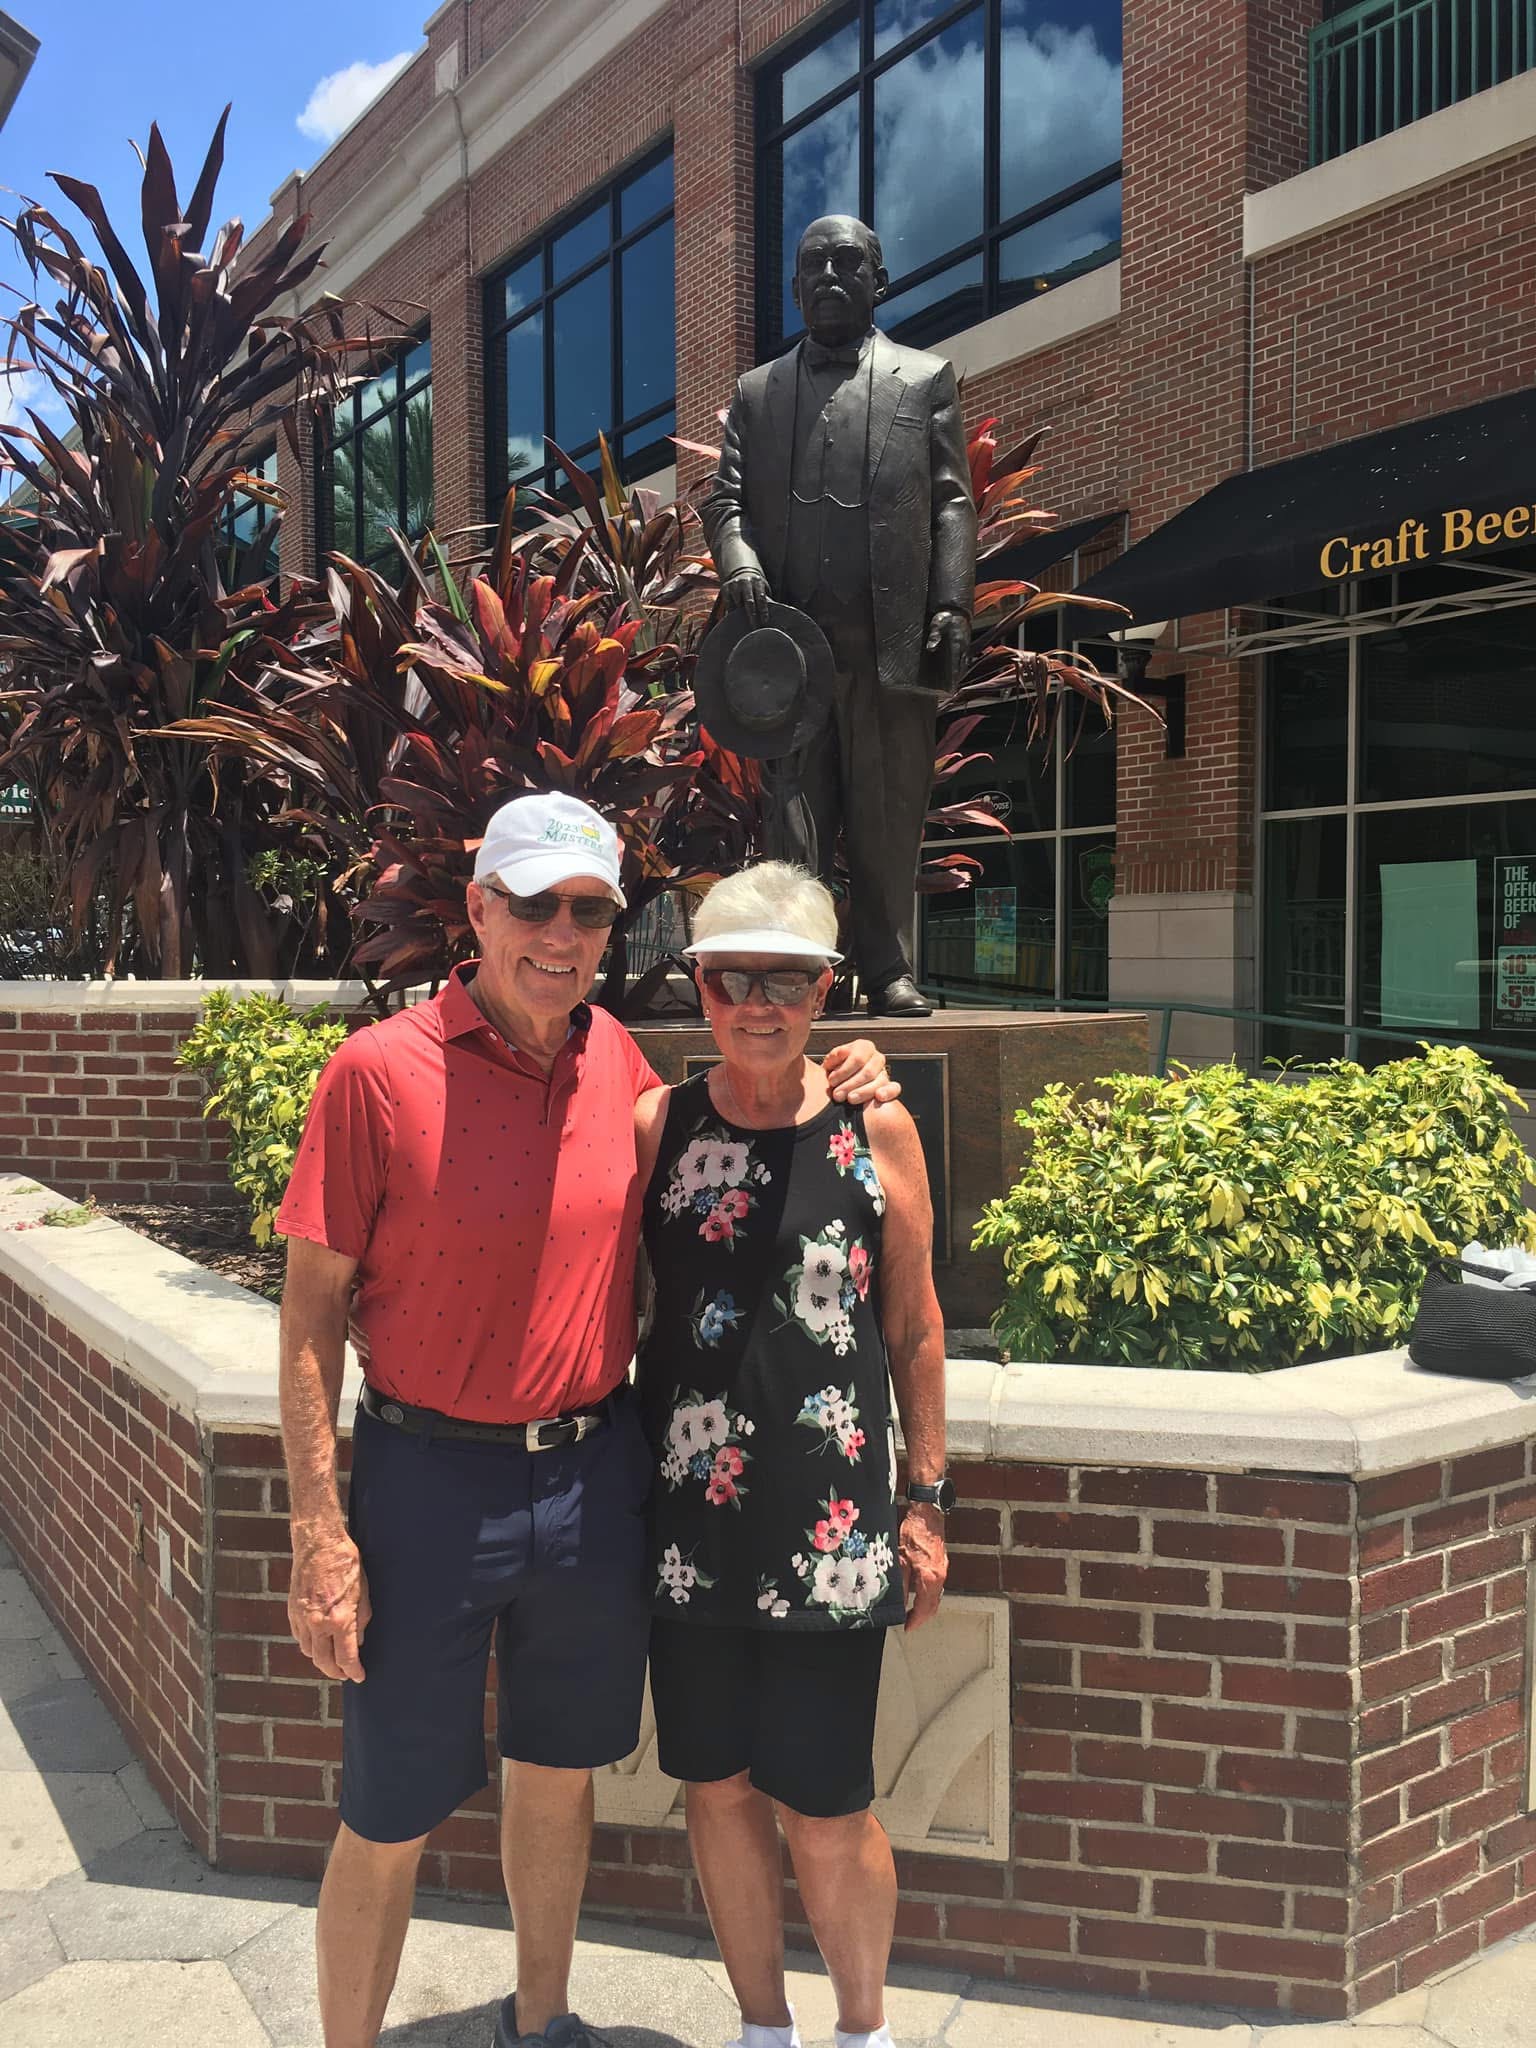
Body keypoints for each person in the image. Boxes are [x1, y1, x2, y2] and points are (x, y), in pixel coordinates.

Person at [274, 793, 895, 2048]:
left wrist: (853, 1065)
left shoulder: (620, 1066)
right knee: (388, 1806)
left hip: (590, 1476)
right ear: (479, 910)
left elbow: (749, 1117)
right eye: (535, 904)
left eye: (591, 911)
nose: (562, 934)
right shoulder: (376, 1071)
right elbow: (307, 1315)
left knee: (558, 1772)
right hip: (426, 1475)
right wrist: (318, 1532)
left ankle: (543, 2016)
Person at [633, 861, 951, 2048]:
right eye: (731, 979)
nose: (757, 1003)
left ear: (826, 989)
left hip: (833, 1529)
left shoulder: (877, 1125)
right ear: (699, 985)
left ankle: (862, 2029)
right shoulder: (659, 1124)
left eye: (787, 980)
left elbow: (914, 1324)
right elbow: (610, 1300)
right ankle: (763, 2027)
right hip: (687, 1525)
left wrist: (926, 1498)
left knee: (826, 1804)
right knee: (716, 1785)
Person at [700, 214, 978, 1019]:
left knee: (889, 819)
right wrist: (740, 561)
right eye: (813, 265)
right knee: (796, 826)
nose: (828, 277)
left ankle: (889, 969)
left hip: (891, 647)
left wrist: (952, 604)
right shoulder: (758, 393)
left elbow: (953, 504)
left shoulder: (925, 379)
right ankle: (799, 968)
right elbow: (724, 500)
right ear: (794, 288)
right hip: (790, 660)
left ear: (878, 281)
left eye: (847, 263)